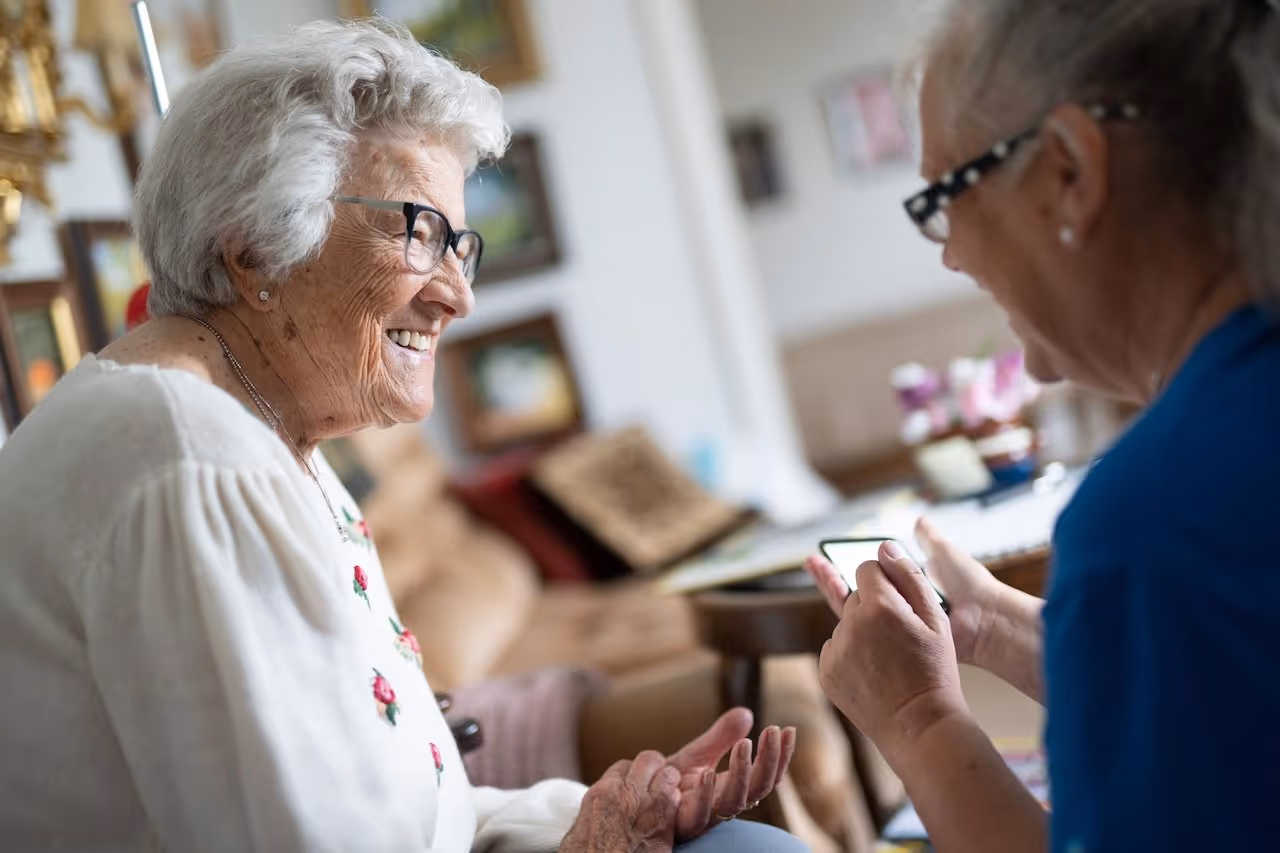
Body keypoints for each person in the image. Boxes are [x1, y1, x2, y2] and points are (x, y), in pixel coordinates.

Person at [0, 20, 807, 853]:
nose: (458, 295)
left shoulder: (266, 435)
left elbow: (425, 817)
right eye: (418, 232)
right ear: (253, 254)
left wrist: (599, 815)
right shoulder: (190, 460)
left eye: (461, 244)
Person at [805, 0, 1280, 851]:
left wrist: (918, 722)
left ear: (1068, 170)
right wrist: (989, 622)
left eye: (946, 195)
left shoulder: (1151, 522)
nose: (948, 253)